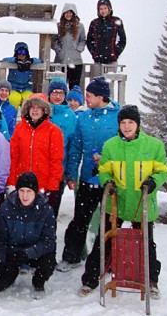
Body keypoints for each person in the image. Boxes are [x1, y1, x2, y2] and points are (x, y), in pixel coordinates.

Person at [78, 105, 167, 299]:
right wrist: (107, 182)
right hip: (116, 202)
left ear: (138, 125)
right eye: (123, 123)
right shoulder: (111, 145)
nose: (127, 127)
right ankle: (91, 279)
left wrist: (153, 182)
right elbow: (104, 170)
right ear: (119, 125)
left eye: (131, 123)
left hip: (141, 202)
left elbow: (162, 170)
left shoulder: (154, 146)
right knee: (105, 240)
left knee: (146, 243)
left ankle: (151, 280)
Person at [57, 77, 121, 272]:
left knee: (110, 221)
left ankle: (107, 261)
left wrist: (108, 160)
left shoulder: (118, 116)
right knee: (80, 220)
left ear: (101, 97)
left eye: (89, 95)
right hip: (87, 178)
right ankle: (72, 256)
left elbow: (126, 146)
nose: (86, 98)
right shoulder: (83, 118)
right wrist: (71, 175)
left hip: (111, 180)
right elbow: (75, 147)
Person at [0, 172, 56, 299]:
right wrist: (0, 262)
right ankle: (12, 272)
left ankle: (38, 281)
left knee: (49, 261)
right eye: (21, 191)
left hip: (35, 252)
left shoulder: (46, 210)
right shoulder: (6, 208)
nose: (25, 195)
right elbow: (0, 239)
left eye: (29, 191)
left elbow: (49, 241)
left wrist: (29, 253)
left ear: (35, 192)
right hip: (13, 252)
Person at [6, 94, 64, 214]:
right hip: (23, 185)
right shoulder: (19, 129)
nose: (35, 110)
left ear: (45, 110)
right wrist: (11, 182)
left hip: (43, 184)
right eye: (32, 107)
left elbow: (56, 160)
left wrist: (52, 186)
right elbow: (13, 157)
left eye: (39, 107)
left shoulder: (54, 131)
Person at [47, 78, 77, 217]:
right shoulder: (42, 111)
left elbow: (73, 147)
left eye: (61, 93)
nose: (58, 96)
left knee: (52, 209)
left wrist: (70, 173)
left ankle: (49, 237)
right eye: (54, 92)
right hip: (40, 167)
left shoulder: (70, 116)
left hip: (59, 168)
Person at [86, 0, 127, 77]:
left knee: (109, 85)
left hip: (112, 60)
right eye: (101, 9)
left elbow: (122, 40)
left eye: (105, 8)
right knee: (97, 84)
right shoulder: (94, 23)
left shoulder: (116, 21)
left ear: (109, 9)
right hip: (98, 60)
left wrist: (116, 53)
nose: (103, 11)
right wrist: (94, 53)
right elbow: (89, 41)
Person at [51, 3, 86, 89]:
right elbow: (53, 41)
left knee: (74, 87)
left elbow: (83, 40)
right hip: (61, 60)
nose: (68, 14)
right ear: (63, 14)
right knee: (59, 86)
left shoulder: (80, 26)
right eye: (66, 12)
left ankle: (73, 102)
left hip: (76, 61)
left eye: (70, 12)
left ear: (74, 14)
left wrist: (79, 49)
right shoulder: (58, 26)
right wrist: (59, 51)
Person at [2, 42, 42, 110]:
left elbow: (40, 61)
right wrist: (16, 60)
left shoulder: (29, 63)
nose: (21, 55)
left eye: (24, 52)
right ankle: (12, 116)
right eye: (19, 52)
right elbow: (4, 60)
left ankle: (27, 117)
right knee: (14, 99)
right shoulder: (12, 61)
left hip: (26, 88)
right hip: (13, 88)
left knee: (29, 99)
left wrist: (30, 61)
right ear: (16, 52)